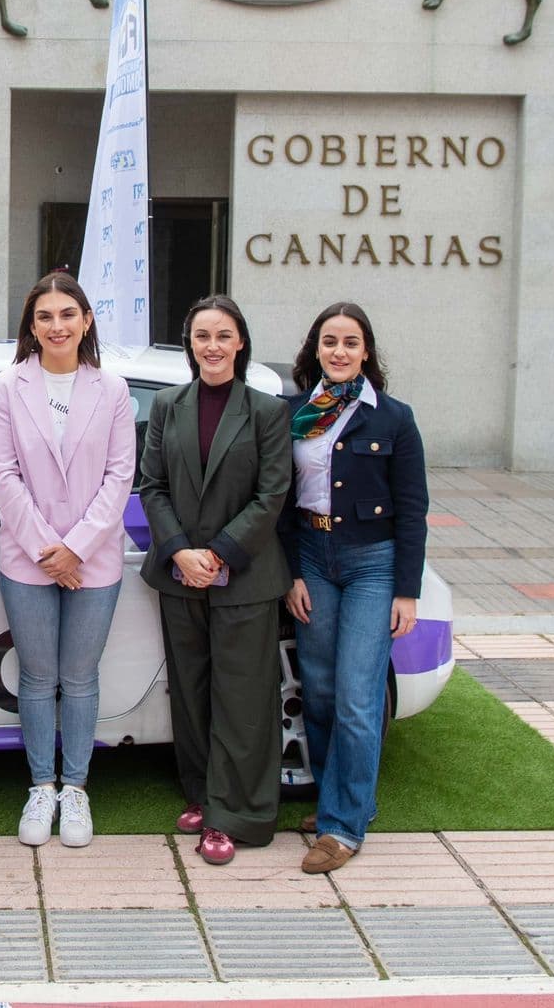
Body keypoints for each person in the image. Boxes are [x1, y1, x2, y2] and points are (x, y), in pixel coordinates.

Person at [136, 294, 291, 865]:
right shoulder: (169, 407)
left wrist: (220, 554)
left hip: (244, 578)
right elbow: (151, 486)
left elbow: (272, 494)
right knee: (193, 692)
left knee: (242, 698)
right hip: (181, 577)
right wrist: (181, 552)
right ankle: (203, 795)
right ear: (190, 344)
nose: (213, 346)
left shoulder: (267, 411)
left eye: (223, 335)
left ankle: (237, 817)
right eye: (202, 335)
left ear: (241, 342)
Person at [0, 271, 135, 847]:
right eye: (44, 316)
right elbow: (3, 474)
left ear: (86, 321)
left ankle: (76, 788)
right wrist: (51, 549)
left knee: (80, 677)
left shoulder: (112, 391)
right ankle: (41, 785)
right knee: (39, 677)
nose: (56, 326)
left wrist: (77, 548)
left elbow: (121, 474)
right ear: (31, 325)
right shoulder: (6, 388)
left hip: (93, 561)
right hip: (28, 558)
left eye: (67, 315)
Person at [280, 302, 428, 874]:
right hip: (313, 559)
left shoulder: (392, 418)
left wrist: (406, 589)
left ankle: (342, 828)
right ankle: (343, 797)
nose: (338, 351)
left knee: (357, 694)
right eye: (329, 341)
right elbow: (282, 505)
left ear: (366, 351)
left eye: (350, 342)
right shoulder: (292, 414)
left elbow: (413, 509)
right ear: (314, 349)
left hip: (372, 564)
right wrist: (293, 570)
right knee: (316, 689)